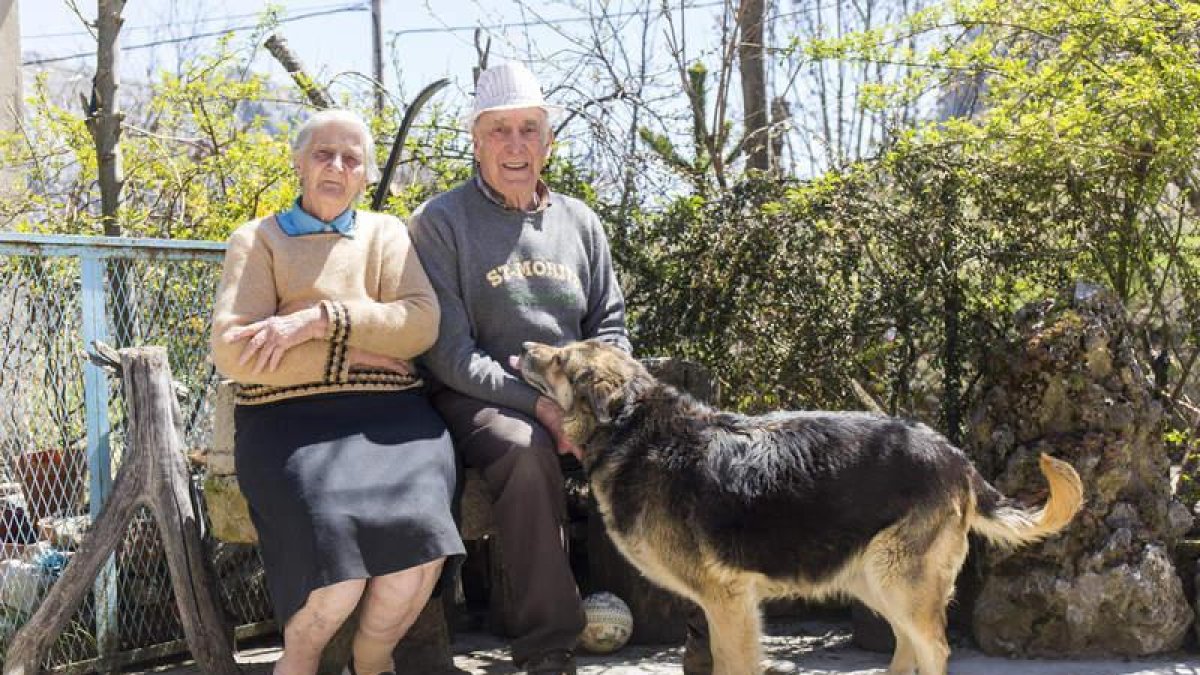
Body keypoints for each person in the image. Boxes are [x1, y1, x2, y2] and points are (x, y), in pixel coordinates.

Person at [211, 109, 464, 675]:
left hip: (393, 419)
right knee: (335, 564)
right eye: (323, 153)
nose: (336, 166)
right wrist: (357, 344)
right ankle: (297, 661)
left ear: (365, 175)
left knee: (421, 540)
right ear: (299, 163)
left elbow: (421, 323)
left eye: (351, 158)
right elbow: (232, 349)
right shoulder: (259, 240)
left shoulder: (386, 234)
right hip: (285, 421)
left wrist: (314, 321)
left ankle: (372, 660)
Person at [407, 62, 630, 675]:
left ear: (548, 141)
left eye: (528, 129)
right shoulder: (440, 222)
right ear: (476, 142)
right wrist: (542, 409)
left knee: (669, 444)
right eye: (498, 131)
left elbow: (609, 329)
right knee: (526, 450)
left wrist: (588, 409)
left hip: (575, 398)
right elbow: (448, 353)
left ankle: (706, 630)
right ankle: (548, 647)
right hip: (476, 399)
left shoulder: (580, 222)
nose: (514, 145)